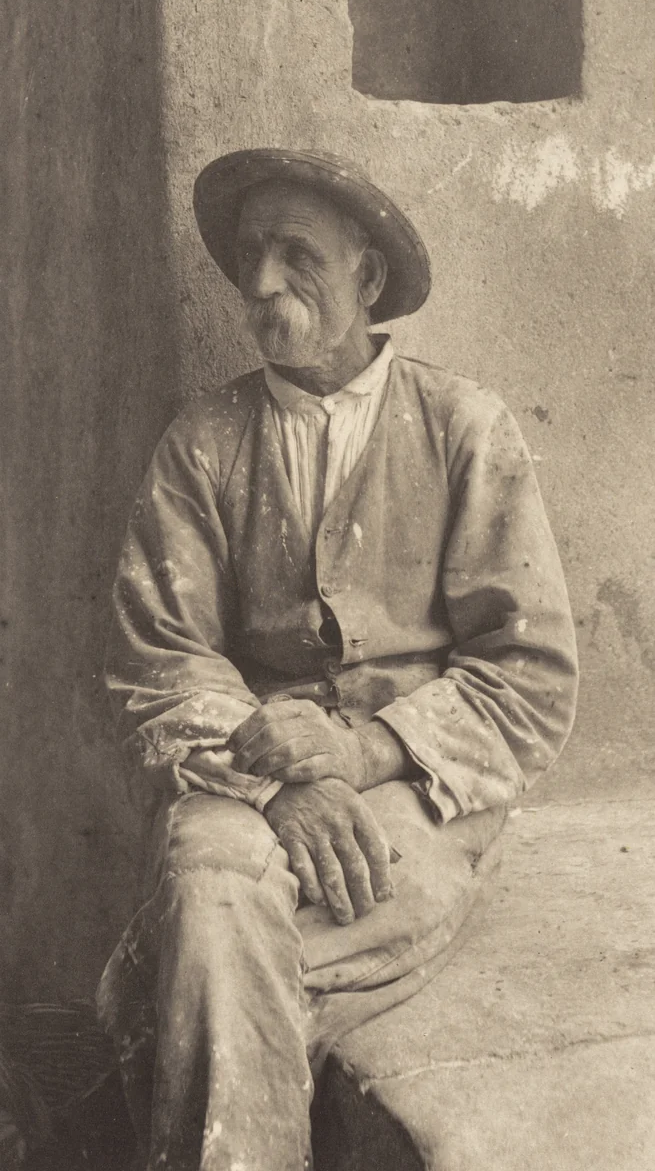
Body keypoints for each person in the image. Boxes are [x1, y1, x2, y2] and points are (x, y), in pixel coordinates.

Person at [97, 148, 578, 1171]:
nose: (261, 283)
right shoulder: (202, 444)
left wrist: (356, 755)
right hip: (244, 773)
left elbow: (527, 679)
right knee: (211, 887)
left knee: (196, 958)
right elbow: (163, 655)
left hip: (413, 791)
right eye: (248, 256)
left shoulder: (464, 428)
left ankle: (143, 1005)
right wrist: (284, 785)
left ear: (366, 277)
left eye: (295, 256)